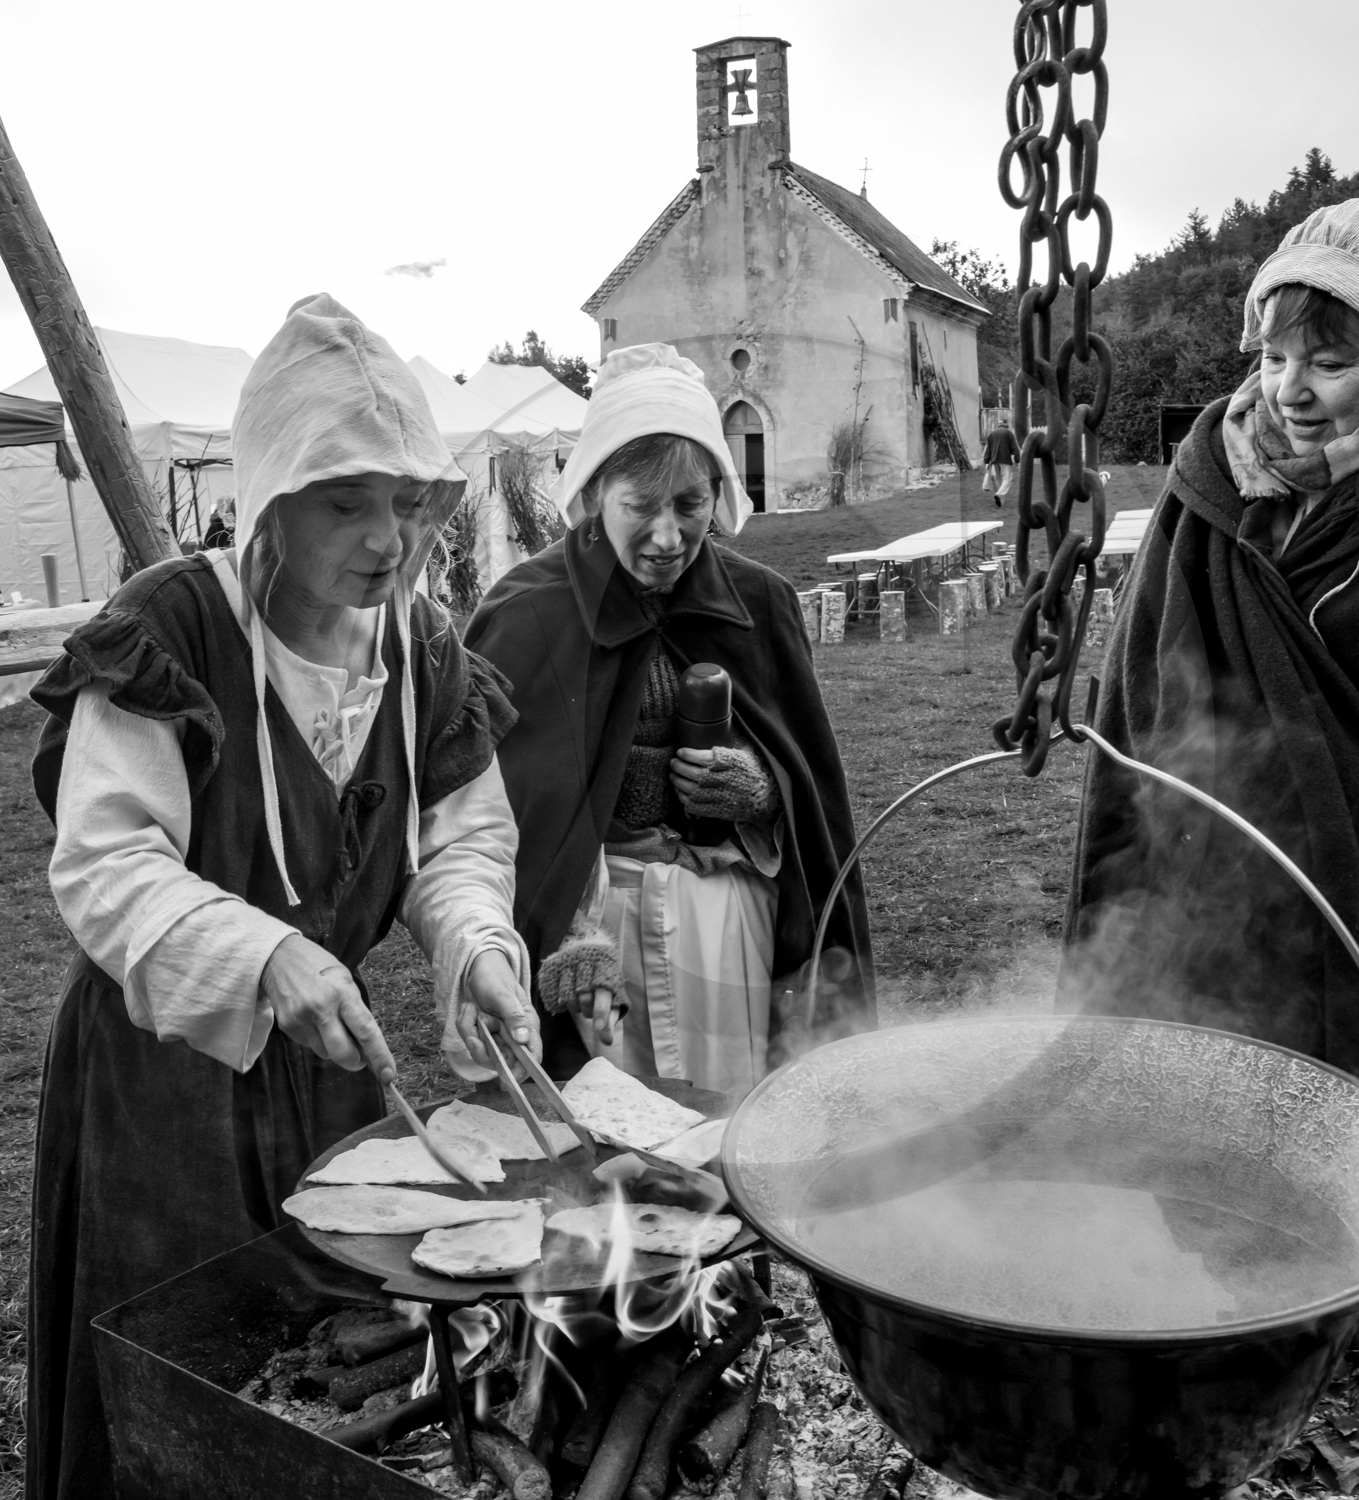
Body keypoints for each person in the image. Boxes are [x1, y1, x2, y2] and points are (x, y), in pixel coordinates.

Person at [25, 295, 541, 1500]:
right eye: (347, 501)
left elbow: (459, 839)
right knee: (184, 1378)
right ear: (271, 497)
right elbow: (106, 863)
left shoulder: (421, 649)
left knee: (330, 1374)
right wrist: (263, 957)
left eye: (409, 505)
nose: (386, 540)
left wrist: (477, 950)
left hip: (329, 1079)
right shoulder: (171, 630)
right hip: (162, 1082)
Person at [1067, 199, 1359, 1091]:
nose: (1288, 391)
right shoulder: (1206, 495)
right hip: (1215, 917)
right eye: (1272, 357)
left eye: (1331, 363)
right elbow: (1138, 707)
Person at [465, 343, 874, 1094]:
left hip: (730, 927)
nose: (666, 536)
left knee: (735, 1130)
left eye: (689, 505)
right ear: (594, 494)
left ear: (718, 493)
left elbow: (814, 796)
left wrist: (764, 793)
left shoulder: (759, 605)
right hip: (595, 937)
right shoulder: (527, 615)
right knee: (603, 1152)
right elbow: (490, 820)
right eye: (640, 506)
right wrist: (573, 936)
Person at [981, 421, 1019, 501]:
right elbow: (1015, 448)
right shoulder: (1008, 433)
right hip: (1005, 459)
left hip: (994, 460)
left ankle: (1000, 500)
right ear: (1006, 426)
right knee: (1007, 479)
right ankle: (999, 494)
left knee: (998, 479)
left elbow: (988, 449)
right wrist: (1017, 460)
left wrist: (986, 461)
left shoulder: (992, 434)